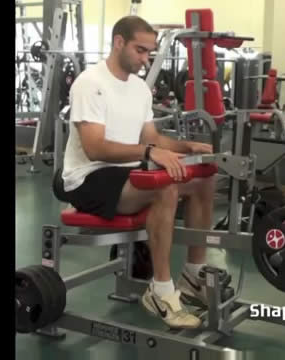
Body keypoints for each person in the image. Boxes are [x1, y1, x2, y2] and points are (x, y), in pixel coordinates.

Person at [53, 16, 218, 329]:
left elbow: (152, 138)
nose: (146, 59)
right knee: (164, 188)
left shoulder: (140, 89)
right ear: (119, 43)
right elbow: (95, 148)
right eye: (140, 51)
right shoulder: (90, 84)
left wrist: (186, 146)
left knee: (203, 180)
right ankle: (161, 291)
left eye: (149, 52)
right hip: (87, 177)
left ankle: (194, 274)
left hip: (126, 173)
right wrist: (148, 153)